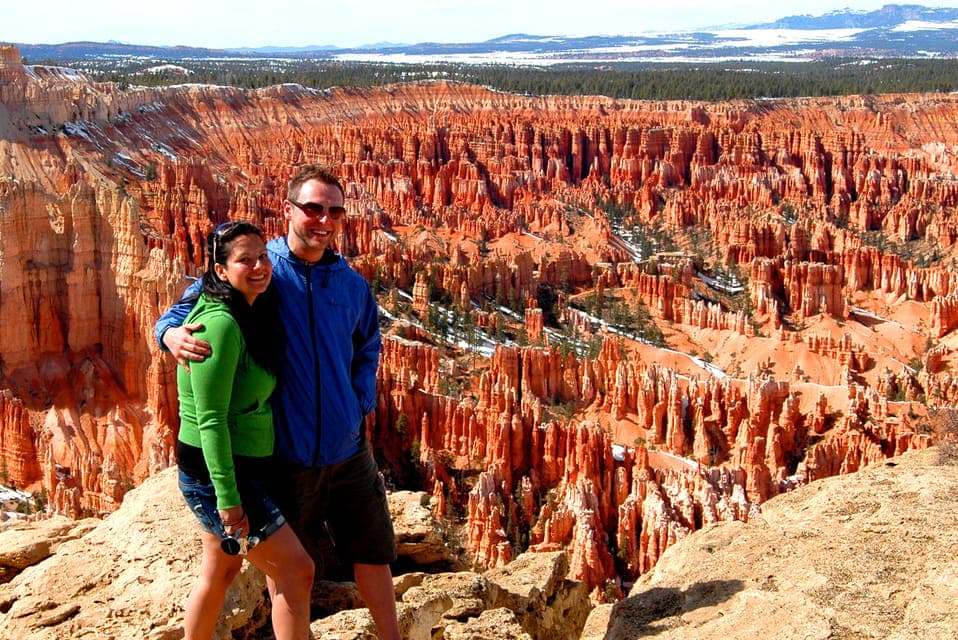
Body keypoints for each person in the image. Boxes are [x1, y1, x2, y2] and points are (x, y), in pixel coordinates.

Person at [156, 166, 401, 640]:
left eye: (333, 211)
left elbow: (368, 346)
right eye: (312, 208)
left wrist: (358, 402)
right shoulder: (261, 269)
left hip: (349, 449)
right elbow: (191, 305)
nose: (323, 220)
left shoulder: (351, 284)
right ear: (288, 210)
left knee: (374, 552)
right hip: (287, 456)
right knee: (292, 572)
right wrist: (167, 332)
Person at [174, 221, 314, 640]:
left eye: (262, 256)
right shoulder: (220, 325)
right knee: (297, 571)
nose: (258, 266)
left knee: (220, 569)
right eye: (244, 260)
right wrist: (230, 501)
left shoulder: (247, 311)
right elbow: (210, 418)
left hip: (240, 465)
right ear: (220, 271)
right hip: (222, 471)